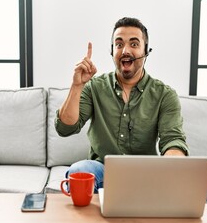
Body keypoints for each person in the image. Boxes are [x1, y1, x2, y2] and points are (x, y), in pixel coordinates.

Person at [55, 17, 189, 192]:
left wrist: (172, 167)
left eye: (134, 44)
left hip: (146, 173)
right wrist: (77, 85)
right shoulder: (94, 87)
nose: (125, 50)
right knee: (79, 171)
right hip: (102, 170)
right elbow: (65, 128)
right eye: (119, 44)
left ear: (146, 51)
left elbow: (173, 139)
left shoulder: (165, 95)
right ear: (112, 51)